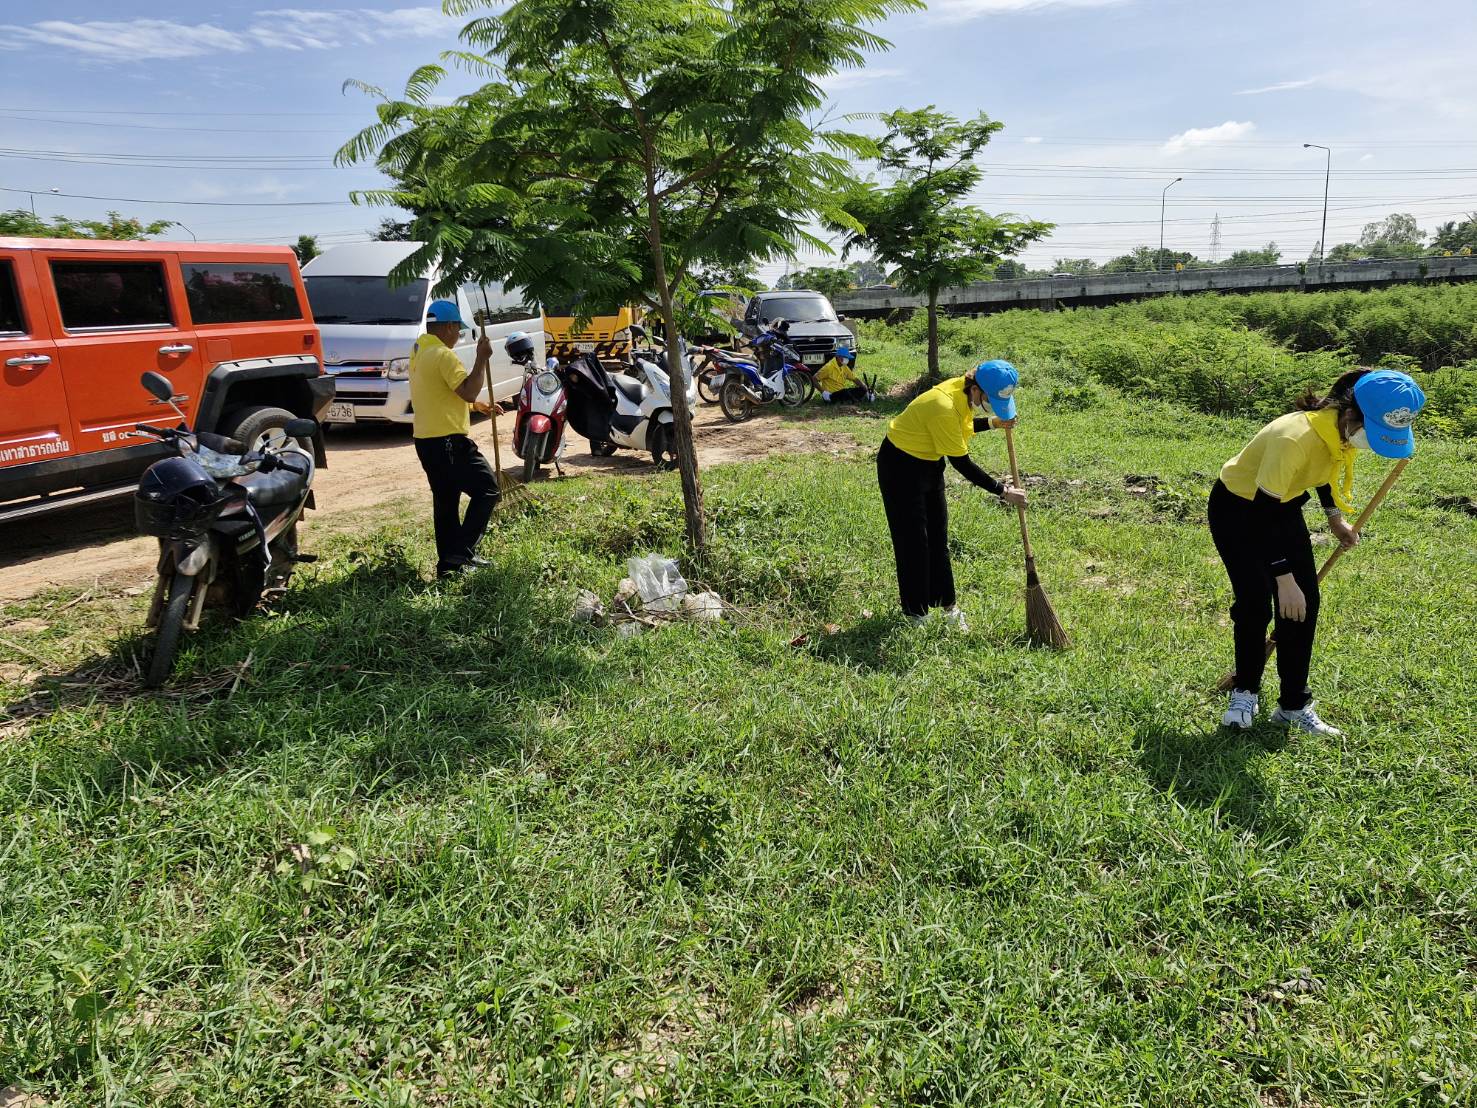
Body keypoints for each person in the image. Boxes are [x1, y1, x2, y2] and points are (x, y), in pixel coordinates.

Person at [1210, 367, 1426, 736]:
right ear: (1350, 414)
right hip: (1240, 511)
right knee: (1256, 601)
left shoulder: (1338, 432)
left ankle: (1293, 705)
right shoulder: (1293, 438)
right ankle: (1244, 692)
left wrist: (1335, 519)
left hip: (1283, 506)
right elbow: (1262, 513)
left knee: (1304, 604)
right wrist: (1283, 577)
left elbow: (1327, 469)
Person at [877, 359, 1029, 629]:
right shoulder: (944, 405)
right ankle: (916, 614)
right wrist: (1004, 491)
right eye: (990, 400)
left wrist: (994, 423)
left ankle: (948, 607)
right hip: (899, 466)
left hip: (929, 462)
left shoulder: (962, 394)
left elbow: (963, 426)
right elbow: (962, 464)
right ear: (976, 389)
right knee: (913, 541)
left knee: (938, 538)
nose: (990, 405)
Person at [409, 300, 498, 578]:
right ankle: (461, 553)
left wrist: (476, 407)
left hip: (426, 440)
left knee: (446, 501)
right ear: (448, 327)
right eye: (458, 330)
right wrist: (482, 357)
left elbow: (441, 392)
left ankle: (448, 566)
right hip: (448, 441)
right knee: (488, 490)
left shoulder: (418, 350)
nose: (459, 335)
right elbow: (469, 390)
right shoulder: (443, 356)